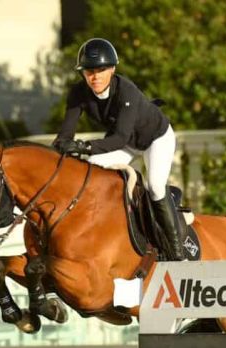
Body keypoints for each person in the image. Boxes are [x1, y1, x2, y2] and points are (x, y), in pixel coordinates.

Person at [52, 37, 185, 261]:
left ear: (112, 69)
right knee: (89, 169)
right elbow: (65, 135)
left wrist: (84, 146)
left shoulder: (126, 91)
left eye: (100, 70)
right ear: (82, 73)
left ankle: (176, 252)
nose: (94, 77)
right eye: (89, 71)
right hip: (127, 143)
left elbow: (119, 137)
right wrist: (56, 152)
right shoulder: (78, 93)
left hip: (156, 138)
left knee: (154, 186)